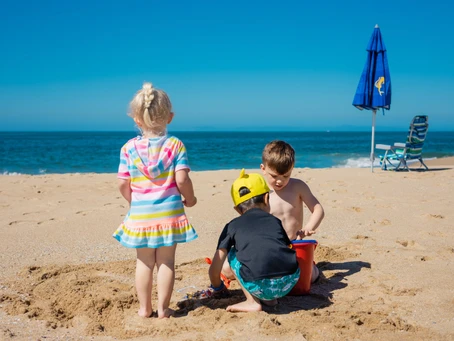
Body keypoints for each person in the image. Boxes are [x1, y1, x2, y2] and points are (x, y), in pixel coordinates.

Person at [113, 82, 198, 318]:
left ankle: (144, 308)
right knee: (167, 262)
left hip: (141, 214)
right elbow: (182, 180)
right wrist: (190, 199)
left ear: (137, 120)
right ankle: (163, 309)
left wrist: (133, 201)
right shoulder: (175, 145)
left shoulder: (128, 148)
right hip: (169, 214)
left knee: (144, 262)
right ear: (170, 117)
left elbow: (122, 183)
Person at [208, 169, 300, 312]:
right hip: (289, 281)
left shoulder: (232, 226)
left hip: (260, 285)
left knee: (233, 253)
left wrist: (218, 287)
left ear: (237, 209)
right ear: (266, 198)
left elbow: (215, 267)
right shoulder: (275, 221)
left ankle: (252, 302)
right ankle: (270, 301)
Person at [260, 140, 325, 283]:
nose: (279, 181)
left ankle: (311, 267)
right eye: (274, 176)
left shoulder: (298, 187)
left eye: (285, 176)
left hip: (295, 245)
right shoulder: (260, 191)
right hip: (271, 247)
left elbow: (318, 209)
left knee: (310, 277)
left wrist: (309, 227)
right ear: (263, 168)